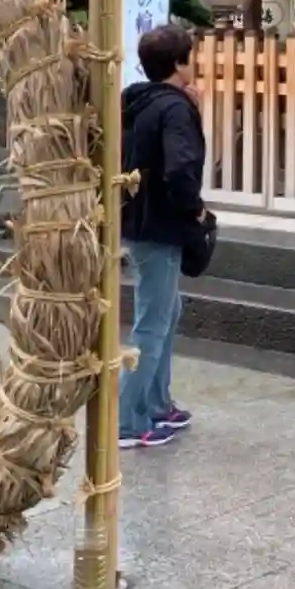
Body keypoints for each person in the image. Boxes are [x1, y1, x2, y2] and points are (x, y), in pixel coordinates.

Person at [119, 23, 206, 449]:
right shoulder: (174, 108)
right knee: (152, 323)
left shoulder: (136, 102)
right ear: (178, 63)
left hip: (137, 218)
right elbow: (180, 168)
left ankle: (155, 403)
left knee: (166, 312)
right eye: (191, 56)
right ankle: (126, 421)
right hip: (161, 224)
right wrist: (194, 208)